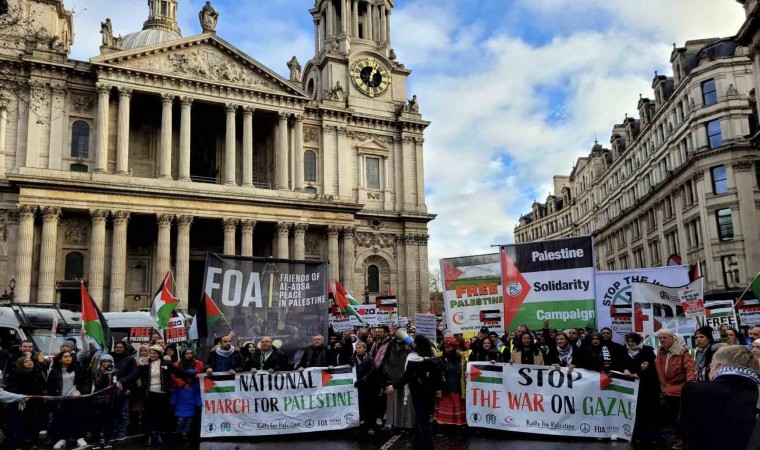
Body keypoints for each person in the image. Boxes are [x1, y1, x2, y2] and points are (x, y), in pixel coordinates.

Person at [681, 346, 760, 450]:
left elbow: (683, 428)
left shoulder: (694, 390)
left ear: (719, 366)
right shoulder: (755, 391)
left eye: (710, 367)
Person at [384, 335, 442, 450]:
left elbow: (406, 377)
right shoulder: (432, 359)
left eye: (414, 342)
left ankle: (429, 447)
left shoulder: (412, 360)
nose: (412, 344)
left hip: (418, 394)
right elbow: (438, 380)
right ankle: (417, 443)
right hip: (429, 395)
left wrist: (394, 387)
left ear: (416, 345)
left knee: (423, 423)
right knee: (421, 419)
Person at [654, 329, 695, 450]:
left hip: (679, 391)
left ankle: (681, 439)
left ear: (673, 339)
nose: (662, 340)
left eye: (665, 338)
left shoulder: (683, 352)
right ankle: (676, 438)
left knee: (680, 418)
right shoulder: (659, 352)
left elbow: (690, 369)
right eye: (660, 338)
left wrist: (690, 385)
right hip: (666, 389)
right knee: (671, 418)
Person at [622, 332, 660, 445]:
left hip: (646, 386)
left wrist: (640, 372)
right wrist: (625, 369)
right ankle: (636, 435)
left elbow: (654, 366)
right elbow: (620, 362)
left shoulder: (647, 350)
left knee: (648, 411)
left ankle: (651, 436)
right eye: (628, 342)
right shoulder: (624, 351)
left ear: (638, 341)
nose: (630, 344)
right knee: (635, 411)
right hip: (630, 384)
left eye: (633, 341)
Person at [47, 350, 90, 449]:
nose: (68, 358)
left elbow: (85, 381)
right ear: (60, 360)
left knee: (77, 419)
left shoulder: (77, 368)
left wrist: (81, 393)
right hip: (61, 399)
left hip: (75, 398)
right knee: (62, 420)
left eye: (69, 356)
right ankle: (62, 439)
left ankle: (79, 438)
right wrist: (56, 395)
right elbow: (50, 386)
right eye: (65, 356)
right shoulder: (54, 371)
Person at [5, 355, 46, 449]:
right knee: (20, 425)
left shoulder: (35, 374)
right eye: (26, 361)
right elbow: (12, 389)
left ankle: (33, 444)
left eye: (30, 360)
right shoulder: (17, 375)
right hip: (21, 405)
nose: (30, 362)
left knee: (34, 424)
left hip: (34, 404)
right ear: (21, 364)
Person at [139, 345, 174, 446]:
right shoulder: (145, 364)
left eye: (154, 353)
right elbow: (135, 374)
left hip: (162, 393)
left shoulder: (166, 363)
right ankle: (150, 435)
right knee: (149, 415)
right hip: (149, 393)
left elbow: (178, 372)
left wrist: (193, 376)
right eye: (151, 353)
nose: (152, 355)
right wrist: (122, 381)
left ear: (159, 354)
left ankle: (159, 435)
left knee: (161, 415)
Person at [379, 330, 413, 431]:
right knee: (391, 403)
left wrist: (409, 349)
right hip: (391, 377)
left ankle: (404, 424)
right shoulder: (390, 345)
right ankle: (390, 423)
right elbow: (385, 360)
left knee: (404, 402)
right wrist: (387, 371)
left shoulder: (410, 345)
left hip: (403, 378)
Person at [434, 337, 467, 426]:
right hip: (444, 386)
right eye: (446, 346)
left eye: (450, 346)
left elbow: (465, 369)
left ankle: (456, 424)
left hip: (456, 385)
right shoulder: (439, 356)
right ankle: (444, 425)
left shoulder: (461, 356)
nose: (448, 348)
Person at [112, 340, 138, 439]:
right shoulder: (112, 358)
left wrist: (129, 387)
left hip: (124, 388)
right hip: (112, 390)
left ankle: (122, 431)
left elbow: (134, 374)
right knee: (114, 411)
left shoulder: (130, 359)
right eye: (117, 347)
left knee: (123, 412)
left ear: (124, 348)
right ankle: (114, 430)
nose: (118, 349)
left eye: (121, 347)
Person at [90, 354, 117, 446]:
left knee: (109, 422)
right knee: (97, 421)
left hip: (110, 400)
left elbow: (116, 382)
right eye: (104, 361)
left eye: (108, 361)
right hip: (99, 400)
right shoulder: (97, 371)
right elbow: (97, 383)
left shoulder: (114, 371)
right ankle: (95, 439)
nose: (106, 363)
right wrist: (104, 375)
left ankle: (108, 439)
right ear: (101, 363)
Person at [351, 341, 377, 434]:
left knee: (369, 406)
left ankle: (371, 426)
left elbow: (372, 371)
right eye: (357, 348)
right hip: (358, 386)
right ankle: (360, 425)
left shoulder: (370, 359)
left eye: (360, 348)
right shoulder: (353, 359)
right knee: (360, 406)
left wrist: (363, 380)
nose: (358, 349)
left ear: (365, 349)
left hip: (368, 385)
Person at [170, 368, 202, 442]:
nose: (190, 379)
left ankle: (184, 433)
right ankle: (179, 433)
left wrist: (199, 403)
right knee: (180, 420)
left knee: (189, 422)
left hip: (191, 405)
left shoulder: (196, 386)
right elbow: (175, 393)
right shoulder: (180, 384)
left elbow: (198, 395)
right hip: (181, 405)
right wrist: (172, 401)